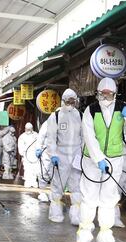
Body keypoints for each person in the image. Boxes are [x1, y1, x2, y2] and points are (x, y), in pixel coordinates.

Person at [77, 78, 126, 242]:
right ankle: (84, 231)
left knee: (109, 198)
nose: (106, 97)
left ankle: (105, 233)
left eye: (109, 94)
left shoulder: (123, 107)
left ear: (115, 93)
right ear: (97, 93)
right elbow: (89, 137)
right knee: (89, 196)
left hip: (115, 159)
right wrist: (99, 159)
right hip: (92, 161)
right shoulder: (90, 110)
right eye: (103, 93)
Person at [43, 88, 83, 224]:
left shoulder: (81, 115)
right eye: (68, 100)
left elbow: (84, 137)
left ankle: (76, 216)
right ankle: (55, 214)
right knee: (58, 185)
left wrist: (83, 155)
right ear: (63, 101)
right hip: (61, 155)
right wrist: (53, 154)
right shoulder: (55, 116)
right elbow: (51, 138)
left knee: (77, 186)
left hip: (76, 155)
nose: (70, 103)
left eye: (73, 101)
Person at [18, 122, 39, 188]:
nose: (28, 131)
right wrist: (22, 153)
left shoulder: (36, 135)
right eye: (27, 129)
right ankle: (28, 181)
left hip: (34, 155)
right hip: (26, 155)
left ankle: (34, 181)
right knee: (27, 168)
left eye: (29, 129)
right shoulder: (22, 136)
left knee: (35, 168)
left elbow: (39, 143)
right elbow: (20, 146)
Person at [35, 121, 51, 202]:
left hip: (60, 153)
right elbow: (41, 136)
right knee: (43, 172)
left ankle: (53, 193)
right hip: (46, 152)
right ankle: (42, 192)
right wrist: (38, 148)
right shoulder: (48, 123)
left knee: (56, 175)